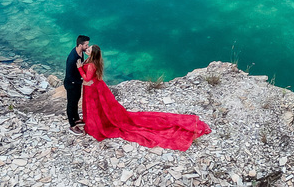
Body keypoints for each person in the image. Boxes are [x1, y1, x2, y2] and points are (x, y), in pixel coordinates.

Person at [78, 45, 210, 151]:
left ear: (92, 54)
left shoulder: (91, 64)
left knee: (96, 108)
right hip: (95, 87)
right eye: (87, 48)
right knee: (100, 108)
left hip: (93, 88)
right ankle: (97, 121)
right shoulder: (92, 61)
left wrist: (79, 68)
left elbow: (87, 78)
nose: (87, 49)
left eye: (88, 49)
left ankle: (97, 125)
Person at [65, 35, 91, 134]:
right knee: (71, 104)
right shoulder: (73, 58)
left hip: (76, 82)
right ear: (80, 45)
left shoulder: (80, 52)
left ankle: (76, 118)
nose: (87, 47)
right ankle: (72, 125)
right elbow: (69, 76)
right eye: (86, 45)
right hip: (71, 84)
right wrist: (82, 82)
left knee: (76, 100)